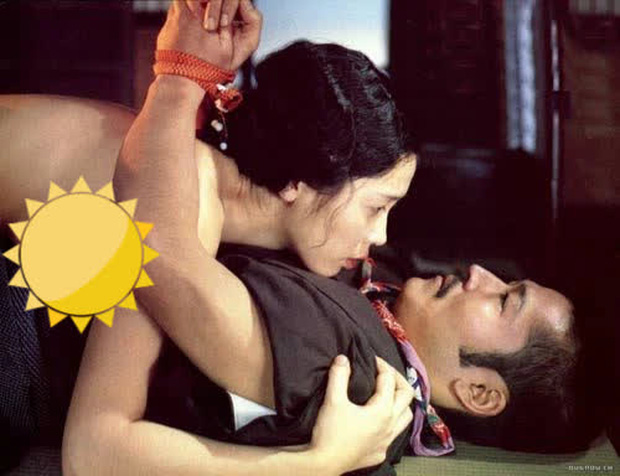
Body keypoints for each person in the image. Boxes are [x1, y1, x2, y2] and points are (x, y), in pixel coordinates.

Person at [63, 2, 580, 475]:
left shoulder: (356, 375)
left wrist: (181, 74)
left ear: (480, 393)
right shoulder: (381, 300)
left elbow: (162, 254)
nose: (481, 274)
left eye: (505, 301)